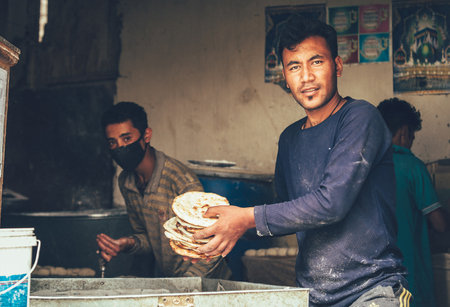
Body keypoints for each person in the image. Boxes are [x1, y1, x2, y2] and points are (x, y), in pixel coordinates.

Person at [188, 17, 410, 306]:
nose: (306, 77)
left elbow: (332, 203)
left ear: (338, 66)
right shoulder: (290, 139)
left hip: (373, 291)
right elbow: (284, 212)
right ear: (285, 76)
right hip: (314, 297)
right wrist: (221, 231)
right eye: (294, 66)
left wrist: (247, 217)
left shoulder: (359, 117)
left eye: (316, 62)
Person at [96, 101, 231, 278]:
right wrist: (125, 243)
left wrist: (186, 286)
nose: (120, 147)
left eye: (127, 138)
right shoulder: (126, 182)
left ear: (146, 135)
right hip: (173, 286)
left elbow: (214, 245)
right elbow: (149, 239)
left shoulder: (180, 181)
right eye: (113, 143)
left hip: (208, 286)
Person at [378, 98, 447, 307]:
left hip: (373, 279)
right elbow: (440, 225)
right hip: (409, 275)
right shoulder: (412, 166)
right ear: (404, 132)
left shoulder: (364, 165)